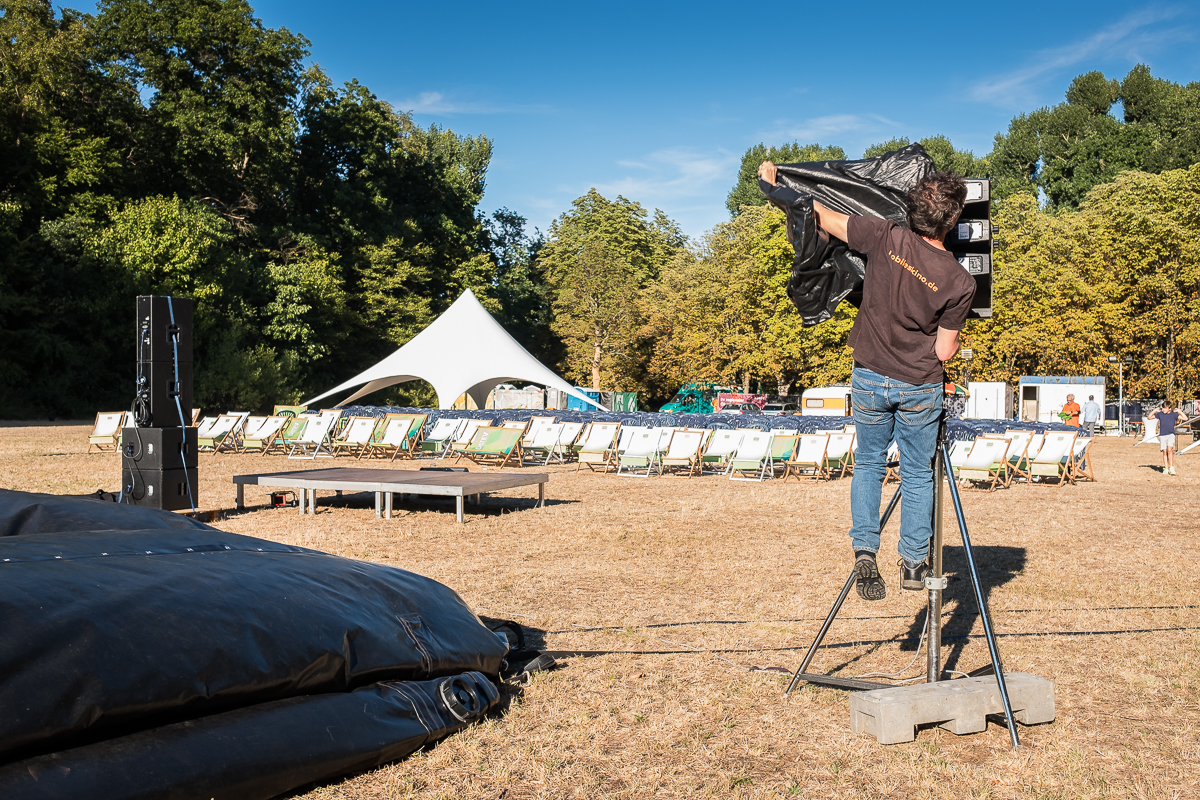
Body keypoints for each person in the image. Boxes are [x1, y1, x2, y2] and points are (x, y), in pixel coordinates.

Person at [758, 161, 975, 600]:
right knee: (916, 473)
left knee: (870, 464)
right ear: (952, 221)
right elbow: (945, 351)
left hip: (870, 375)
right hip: (919, 384)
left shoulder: (885, 235)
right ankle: (914, 561)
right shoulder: (959, 280)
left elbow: (821, 213)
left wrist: (775, 185)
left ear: (911, 210)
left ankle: (864, 551)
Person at [1147, 401, 1183, 475]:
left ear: (1169, 409)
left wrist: (1179, 411)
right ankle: (1166, 468)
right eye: (1163, 408)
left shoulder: (1174, 415)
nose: (1163, 409)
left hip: (1170, 434)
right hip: (1162, 435)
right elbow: (1149, 417)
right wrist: (1154, 410)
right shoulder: (1160, 414)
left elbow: (1185, 418)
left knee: (1170, 450)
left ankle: (1171, 467)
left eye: (1165, 408)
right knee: (1164, 451)